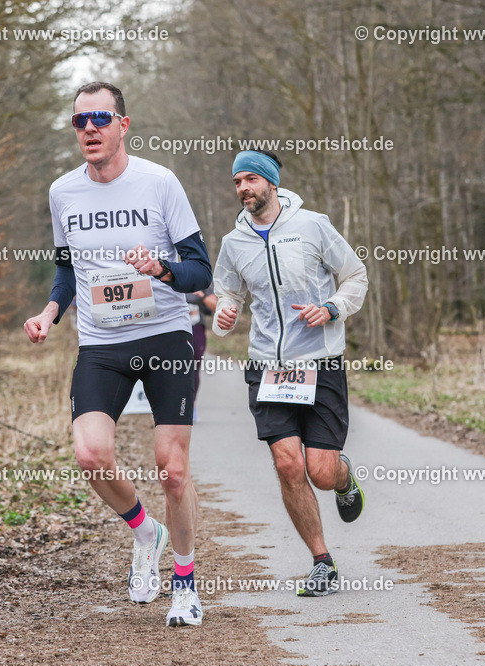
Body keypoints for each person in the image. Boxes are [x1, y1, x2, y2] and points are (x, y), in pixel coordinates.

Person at [23, 82, 212, 626]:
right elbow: (66, 271)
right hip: (102, 343)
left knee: (172, 472)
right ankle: (143, 531)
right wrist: (48, 314)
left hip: (164, 337)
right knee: (89, 456)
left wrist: (162, 269)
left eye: (100, 118)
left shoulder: (159, 181)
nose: (89, 129)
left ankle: (185, 584)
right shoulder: (63, 192)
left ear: (123, 125)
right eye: (80, 121)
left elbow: (200, 269)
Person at [211, 149, 369, 596]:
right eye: (237, 181)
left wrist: (332, 309)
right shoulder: (233, 242)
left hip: (319, 365)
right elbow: (227, 289)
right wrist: (226, 311)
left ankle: (344, 476)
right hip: (267, 368)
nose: (243, 188)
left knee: (320, 471)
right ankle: (322, 561)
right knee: (286, 464)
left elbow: (355, 275)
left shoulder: (313, 226)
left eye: (250, 180)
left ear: (271, 183)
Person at [186, 287, 217, 413]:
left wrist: (202, 296)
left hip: (196, 327)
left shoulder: (201, 276)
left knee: (194, 367)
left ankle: (191, 405)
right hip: (172, 327)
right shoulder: (163, 271)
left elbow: (215, 305)